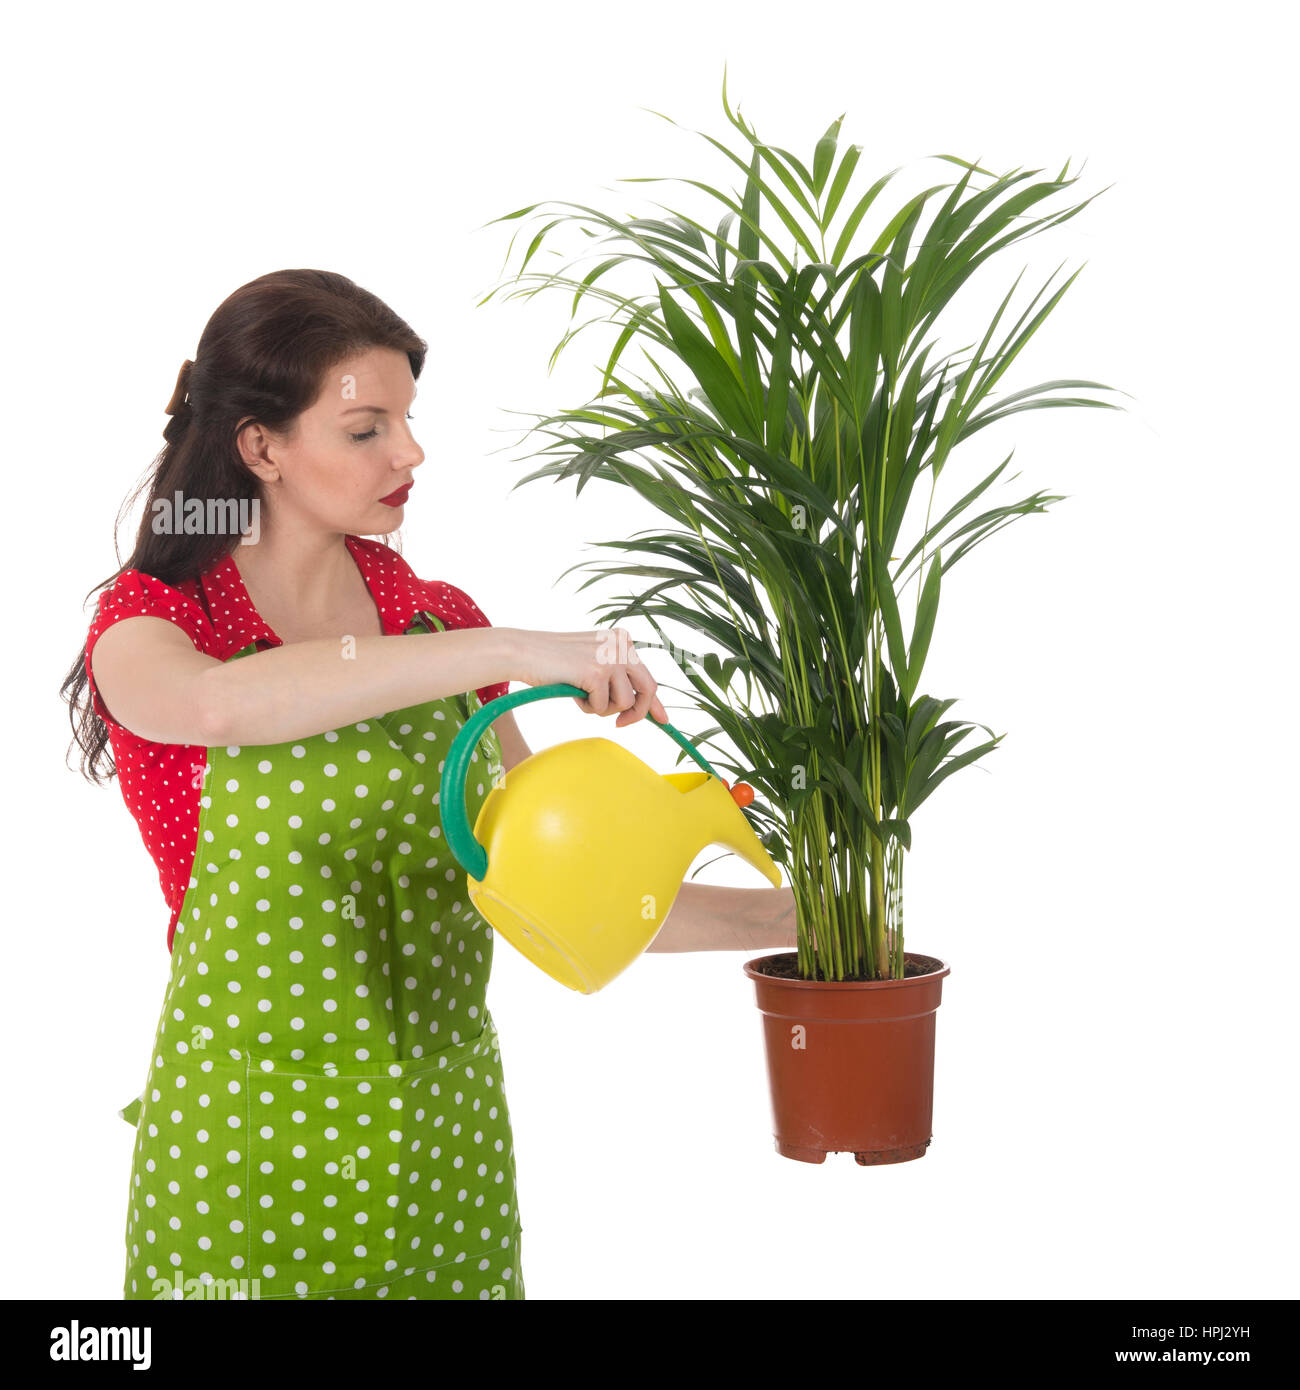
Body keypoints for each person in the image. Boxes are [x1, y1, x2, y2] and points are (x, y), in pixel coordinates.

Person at [63, 268, 795, 1302]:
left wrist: (803, 917)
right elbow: (224, 708)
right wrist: (505, 647)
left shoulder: (437, 626)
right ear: (261, 447)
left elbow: (549, 892)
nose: (410, 453)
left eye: (408, 420)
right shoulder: (157, 625)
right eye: (366, 428)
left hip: (446, 1170)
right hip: (251, 1173)